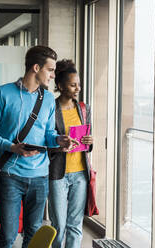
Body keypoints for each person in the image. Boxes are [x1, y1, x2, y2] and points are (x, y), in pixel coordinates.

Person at [0, 46, 77, 248]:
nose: (52, 75)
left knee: (33, 233)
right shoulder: (2, 94)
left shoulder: (49, 99)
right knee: (8, 235)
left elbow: (48, 134)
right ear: (35, 67)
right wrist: (12, 147)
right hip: (9, 175)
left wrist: (59, 140)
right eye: (50, 70)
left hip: (40, 176)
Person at [48, 59, 93, 248]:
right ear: (60, 86)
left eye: (79, 84)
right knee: (58, 224)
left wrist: (90, 142)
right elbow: (45, 141)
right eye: (73, 85)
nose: (78, 89)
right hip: (58, 173)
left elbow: (87, 140)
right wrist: (60, 144)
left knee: (75, 225)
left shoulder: (83, 108)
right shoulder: (50, 108)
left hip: (81, 173)